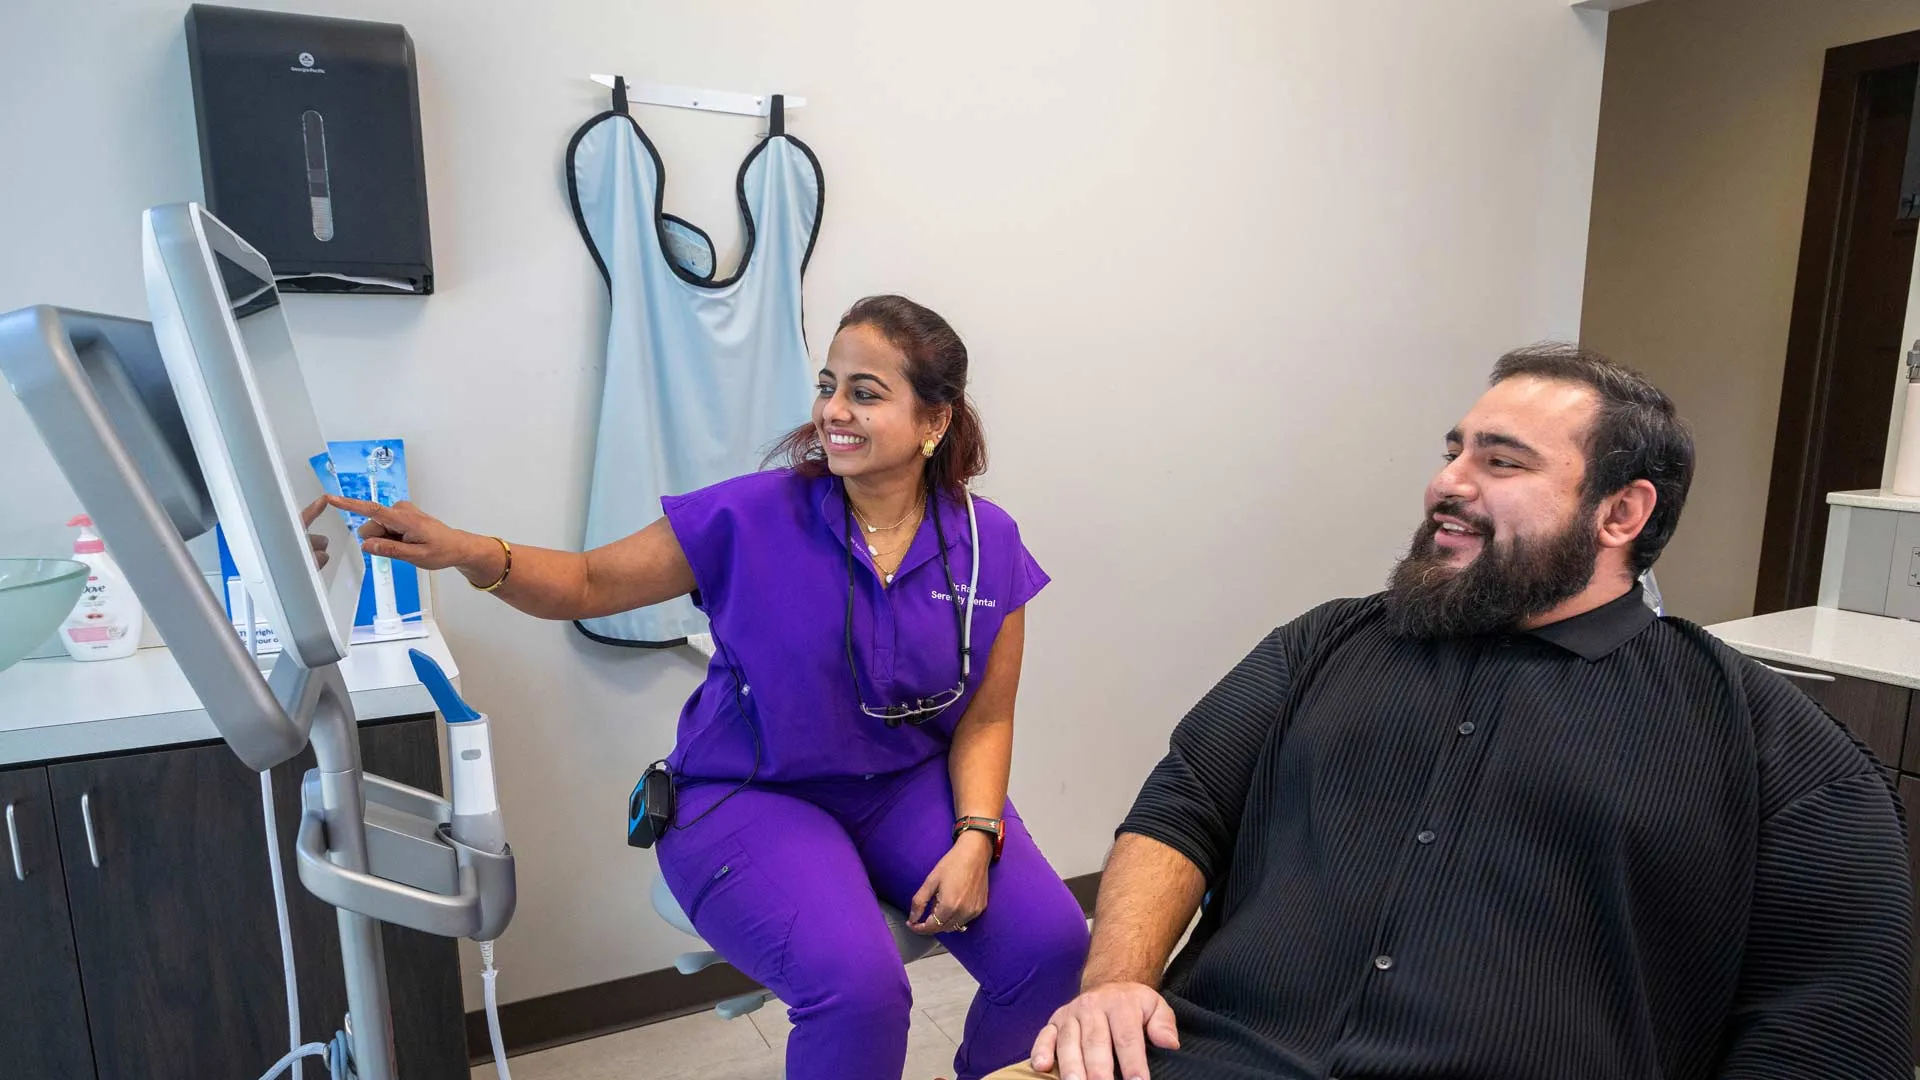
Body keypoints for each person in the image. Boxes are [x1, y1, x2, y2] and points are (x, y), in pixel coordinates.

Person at [993, 345, 1911, 1080]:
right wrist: (1114, 984)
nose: (1448, 483)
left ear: (1622, 512)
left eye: (1501, 461)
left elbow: (1833, 1026)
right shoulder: (1324, 647)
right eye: (1453, 451)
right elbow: (1183, 805)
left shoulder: (1765, 744)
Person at [333, 295, 1090, 1080]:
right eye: (828, 385)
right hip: (750, 793)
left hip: (904, 788)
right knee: (859, 990)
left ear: (934, 422)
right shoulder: (752, 515)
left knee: (1053, 948)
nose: (834, 409)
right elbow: (589, 582)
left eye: (865, 393)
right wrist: (470, 551)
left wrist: (977, 834)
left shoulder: (984, 541)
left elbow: (986, 717)